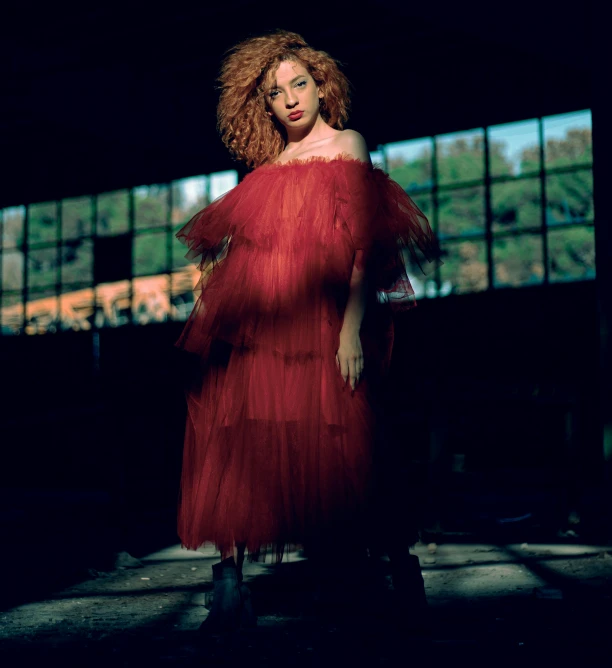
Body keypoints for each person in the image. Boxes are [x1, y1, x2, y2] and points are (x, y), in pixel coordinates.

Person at [174, 29, 440, 633]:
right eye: (276, 93)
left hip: (327, 321)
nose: (291, 99)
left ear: (321, 86)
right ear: (262, 105)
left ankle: (393, 572)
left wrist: (350, 331)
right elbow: (247, 254)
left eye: (300, 84)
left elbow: (361, 246)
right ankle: (229, 588)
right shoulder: (265, 169)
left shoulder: (349, 145)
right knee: (239, 440)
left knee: (351, 444)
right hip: (263, 327)